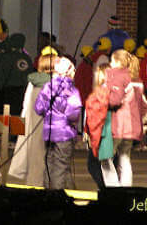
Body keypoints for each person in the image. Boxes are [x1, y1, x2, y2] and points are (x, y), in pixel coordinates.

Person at [34, 57, 82, 189]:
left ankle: (47, 193)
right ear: (67, 72)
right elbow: (73, 113)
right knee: (61, 167)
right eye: (72, 69)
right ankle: (57, 196)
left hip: (49, 134)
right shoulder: (71, 90)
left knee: (49, 164)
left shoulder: (47, 87)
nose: (74, 71)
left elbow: (38, 108)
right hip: (64, 134)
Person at [8, 53, 55, 186]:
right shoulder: (54, 83)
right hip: (49, 125)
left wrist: (23, 120)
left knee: (34, 155)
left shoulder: (33, 82)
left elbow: (27, 102)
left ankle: (34, 183)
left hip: (32, 122)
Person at [103, 50, 147, 187]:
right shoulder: (137, 81)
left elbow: (113, 100)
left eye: (111, 61)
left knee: (106, 157)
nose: (110, 64)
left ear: (117, 62)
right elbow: (144, 106)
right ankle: (126, 187)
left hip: (117, 125)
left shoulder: (115, 77)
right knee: (124, 157)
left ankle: (113, 188)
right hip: (131, 126)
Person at [84, 63, 111, 189]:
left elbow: (93, 114)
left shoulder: (101, 92)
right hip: (109, 131)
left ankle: (105, 188)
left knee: (94, 164)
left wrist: (88, 131)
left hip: (100, 132)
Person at [0, 33, 34, 115]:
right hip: (24, 91)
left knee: (8, 117)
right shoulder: (27, 58)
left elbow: (3, 74)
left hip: (9, 92)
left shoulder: (8, 57)